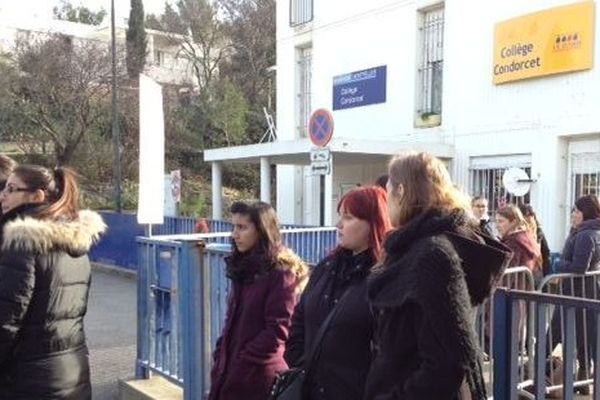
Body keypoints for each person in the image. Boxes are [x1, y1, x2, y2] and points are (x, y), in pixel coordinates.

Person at [364, 151, 511, 400]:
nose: (386, 201)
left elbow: (449, 361)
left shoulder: (432, 254)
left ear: (401, 191)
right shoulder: (418, 247)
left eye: (388, 192)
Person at [0, 164, 106, 399]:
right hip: (72, 376)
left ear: (37, 196)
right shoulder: (76, 245)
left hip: (28, 381)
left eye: (11, 189)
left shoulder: (22, 245)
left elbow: (6, 321)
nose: (3, 196)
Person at [285, 186, 392, 400]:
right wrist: (303, 365)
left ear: (373, 224)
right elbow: (299, 322)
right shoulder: (326, 268)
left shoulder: (384, 277)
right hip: (311, 390)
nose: (339, 224)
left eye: (349, 217)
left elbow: (389, 351)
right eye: (340, 216)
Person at [208, 201, 309, 400]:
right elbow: (232, 321)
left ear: (262, 230)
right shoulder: (245, 267)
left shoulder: (280, 272)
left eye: (242, 227)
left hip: (256, 378)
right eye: (233, 227)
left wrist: (241, 361)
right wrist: (221, 353)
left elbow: (277, 330)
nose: (234, 234)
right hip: (231, 373)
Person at [549, 195, 600, 394]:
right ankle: (584, 381)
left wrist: (557, 264)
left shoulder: (586, 235)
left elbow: (579, 267)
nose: (573, 215)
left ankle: (538, 376)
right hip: (584, 291)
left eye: (576, 211)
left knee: (556, 334)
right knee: (583, 336)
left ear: (585, 213)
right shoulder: (589, 232)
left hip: (575, 292)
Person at [495, 204, 542, 284]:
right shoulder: (526, 235)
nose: (497, 226)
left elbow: (507, 277)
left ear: (513, 222)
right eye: (496, 221)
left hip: (516, 292)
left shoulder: (514, 242)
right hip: (526, 290)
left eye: (501, 221)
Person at [518, 203, 551, 275]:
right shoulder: (519, 233)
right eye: (526, 216)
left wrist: (546, 274)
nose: (529, 218)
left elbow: (546, 253)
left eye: (531, 215)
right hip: (525, 270)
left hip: (537, 270)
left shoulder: (539, 232)